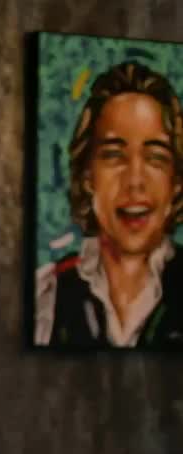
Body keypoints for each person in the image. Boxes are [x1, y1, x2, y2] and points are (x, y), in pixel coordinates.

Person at [34, 60, 183, 348]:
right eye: (114, 155)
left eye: (155, 158)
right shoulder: (47, 295)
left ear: (176, 181)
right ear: (88, 175)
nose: (135, 181)